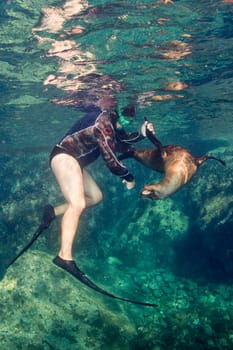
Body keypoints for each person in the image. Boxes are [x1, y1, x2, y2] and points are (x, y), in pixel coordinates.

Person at [47, 94, 154, 275]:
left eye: (131, 116)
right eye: (127, 115)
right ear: (116, 111)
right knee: (78, 203)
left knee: (96, 197)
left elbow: (121, 142)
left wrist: (142, 134)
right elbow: (111, 159)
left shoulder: (110, 124)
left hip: (74, 161)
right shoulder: (103, 123)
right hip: (64, 156)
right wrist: (128, 176)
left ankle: (52, 212)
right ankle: (64, 256)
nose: (129, 119)